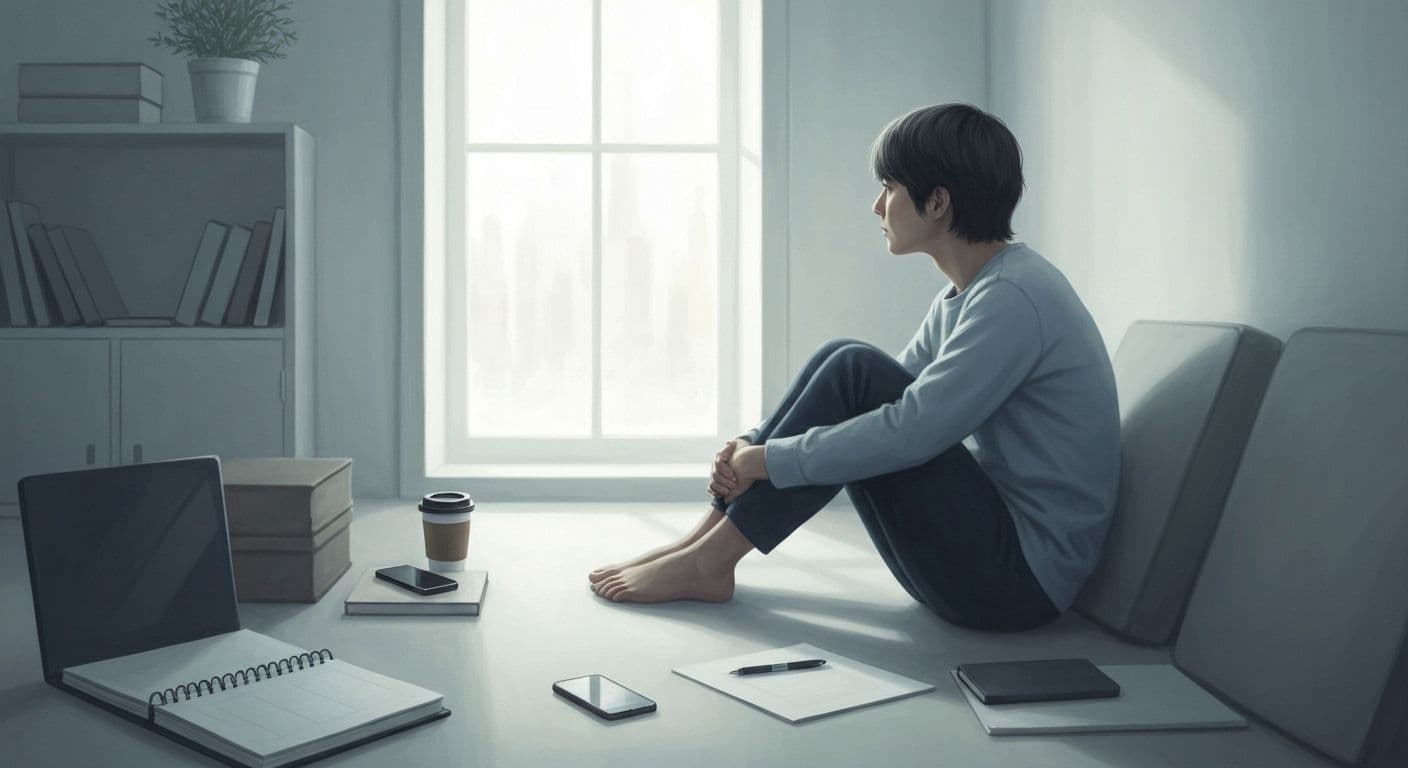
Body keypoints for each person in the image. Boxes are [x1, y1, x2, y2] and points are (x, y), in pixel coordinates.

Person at [588, 103, 1120, 631]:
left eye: (889, 187)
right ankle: (703, 543)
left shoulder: (1013, 299)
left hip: (1016, 584)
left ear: (937, 203)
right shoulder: (975, 293)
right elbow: (890, 394)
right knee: (847, 362)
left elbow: (908, 430)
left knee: (853, 370)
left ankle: (709, 561)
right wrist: (749, 447)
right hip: (990, 561)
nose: (876, 206)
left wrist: (763, 460)